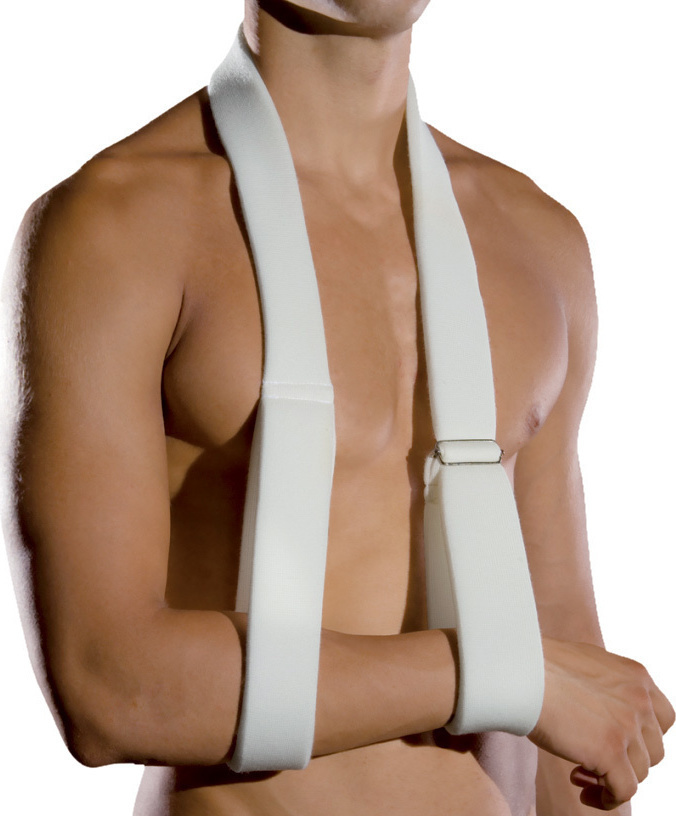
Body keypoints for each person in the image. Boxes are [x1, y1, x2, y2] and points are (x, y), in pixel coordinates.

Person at [2, 1, 673, 814]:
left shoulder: (539, 242)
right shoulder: (118, 227)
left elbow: (579, 687)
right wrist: (495, 675)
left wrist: (541, 683)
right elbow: (108, 685)